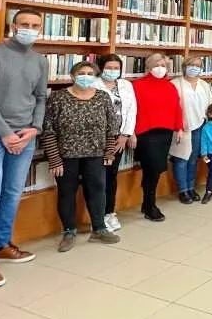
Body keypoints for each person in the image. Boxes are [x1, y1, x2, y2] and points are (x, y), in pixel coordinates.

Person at [0, 9, 47, 288]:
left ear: (41, 29)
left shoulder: (40, 60)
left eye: (35, 25)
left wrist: (35, 128)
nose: (29, 28)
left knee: (13, 193)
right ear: (13, 26)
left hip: (25, 135)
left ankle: (2, 244)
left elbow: (40, 98)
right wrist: (4, 133)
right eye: (24, 24)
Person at [42, 61, 121, 252]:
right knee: (66, 192)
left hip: (96, 154)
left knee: (97, 190)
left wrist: (109, 151)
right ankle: (69, 231)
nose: (85, 76)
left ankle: (99, 228)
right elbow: (48, 130)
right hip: (66, 156)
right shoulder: (58, 98)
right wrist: (54, 158)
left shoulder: (102, 97)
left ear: (95, 76)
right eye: (81, 73)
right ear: (72, 75)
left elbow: (112, 127)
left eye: (90, 73)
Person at [131, 53, 182, 223]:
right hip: (146, 132)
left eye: (164, 65)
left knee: (157, 168)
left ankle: (147, 203)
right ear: (148, 67)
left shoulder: (170, 87)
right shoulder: (137, 85)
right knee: (151, 168)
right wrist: (131, 133)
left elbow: (177, 108)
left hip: (165, 132)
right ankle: (150, 205)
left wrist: (179, 128)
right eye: (157, 65)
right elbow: (131, 111)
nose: (161, 68)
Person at [93, 54, 137, 233]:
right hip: (97, 140)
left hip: (118, 139)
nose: (112, 71)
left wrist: (126, 134)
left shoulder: (126, 85)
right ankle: (97, 216)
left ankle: (109, 213)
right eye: (109, 67)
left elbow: (132, 109)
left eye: (116, 68)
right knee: (96, 178)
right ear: (101, 68)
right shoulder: (93, 84)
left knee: (111, 177)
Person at [170, 56, 212, 204]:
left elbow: (211, 104)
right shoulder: (175, 84)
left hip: (200, 126)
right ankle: (182, 190)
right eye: (191, 65)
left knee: (193, 159)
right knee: (181, 158)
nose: (194, 68)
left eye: (198, 65)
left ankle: (190, 187)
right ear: (184, 66)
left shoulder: (204, 85)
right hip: (182, 127)